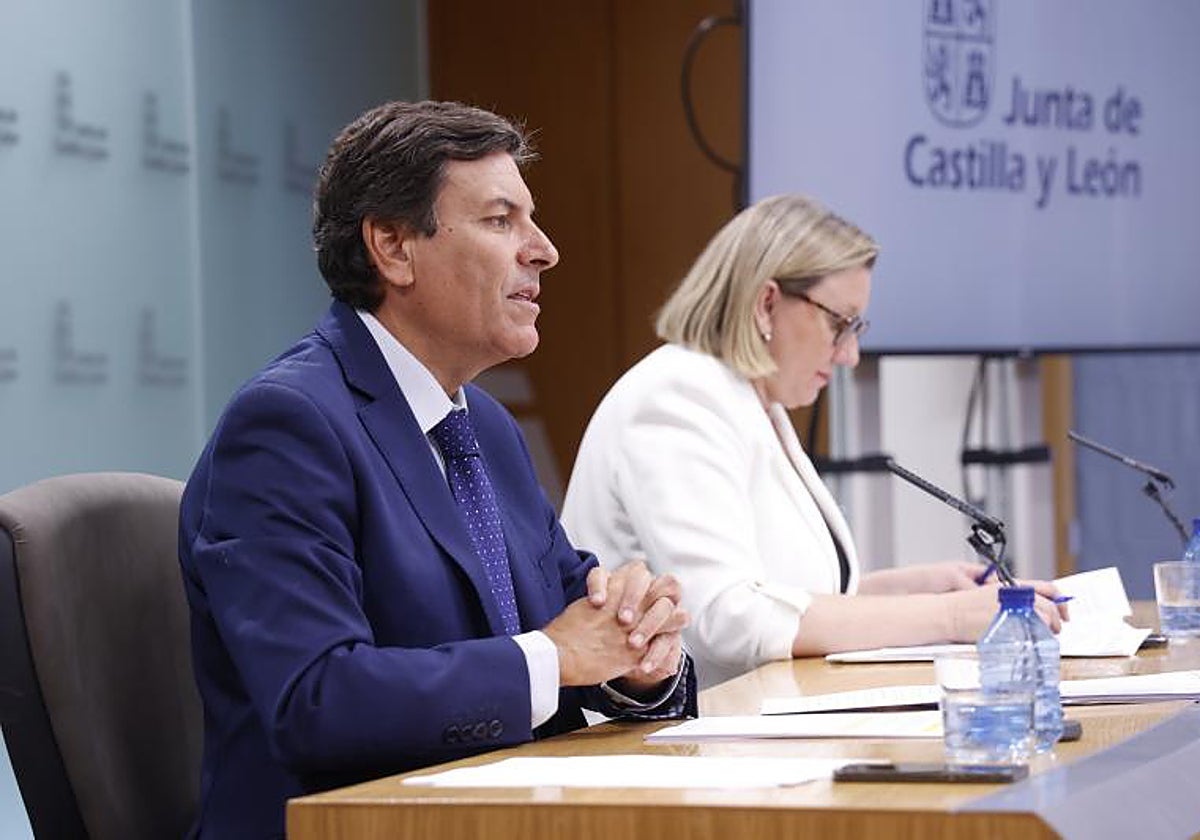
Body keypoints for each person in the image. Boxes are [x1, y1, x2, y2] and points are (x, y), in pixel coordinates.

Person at [178, 100, 694, 838]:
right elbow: (316, 699)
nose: (543, 249)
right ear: (392, 246)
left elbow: (573, 619)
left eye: (532, 219)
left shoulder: (481, 424)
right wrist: (556, 655)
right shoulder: (288, 426)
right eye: (500, 220)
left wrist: (639, 655)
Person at [560, 194, 1067, 689]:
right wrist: (950, 615)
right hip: (666, 747)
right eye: (839, 324)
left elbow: (781, 598)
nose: (849, 355)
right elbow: (728, 618)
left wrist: (904, 589)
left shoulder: (754, 401)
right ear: (766, 304)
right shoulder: (680, 395)